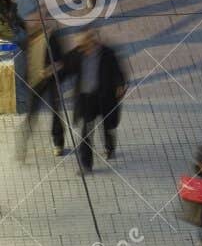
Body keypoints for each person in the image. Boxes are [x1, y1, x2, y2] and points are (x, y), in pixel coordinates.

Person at [69, 29, 127, 171]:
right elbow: (66, 67)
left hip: (104, 98)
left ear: (91, 41)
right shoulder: (78, 54)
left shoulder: (107, 53)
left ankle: (109, 147)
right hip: (87, 100)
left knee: (107, 126)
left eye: (83, 43)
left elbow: (117, 71)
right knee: (86, 132)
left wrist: (120, 85)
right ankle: (86, 165)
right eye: (80, 44)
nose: (81, 47)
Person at [19, 13, 67, 160]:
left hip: (50, 80)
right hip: (36, 81)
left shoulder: (53, 38)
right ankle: (23, 144)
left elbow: (61, 62)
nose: (38, 23)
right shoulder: (32, 37)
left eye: (41, 20)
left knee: (55, 111)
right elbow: (28, 55)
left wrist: (49, 70)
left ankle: (58, 143)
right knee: (32, 113)